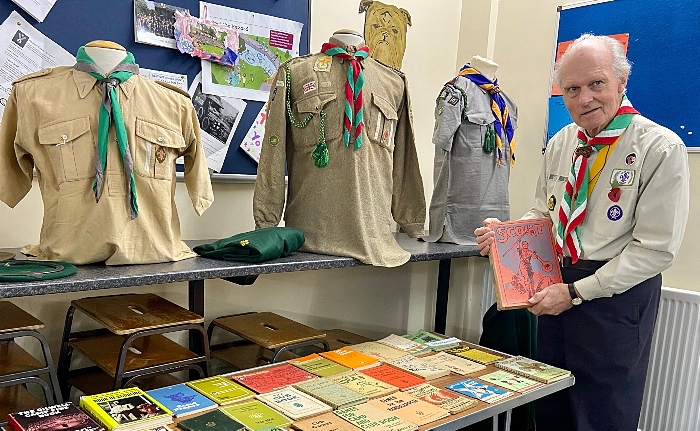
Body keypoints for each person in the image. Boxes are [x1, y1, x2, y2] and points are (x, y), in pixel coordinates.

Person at [474, 34, 689, 431]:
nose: (584, 98)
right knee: (551, 400)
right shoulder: (561, 142)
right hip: (556, 285)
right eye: (572, 89)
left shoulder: (659, 147)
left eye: (596, 84)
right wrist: (505, 236)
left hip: (615, 296)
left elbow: (655, 251)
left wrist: (575, 293)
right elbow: (543, 212)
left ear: (621, 83)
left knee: (605, 410)